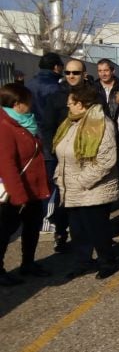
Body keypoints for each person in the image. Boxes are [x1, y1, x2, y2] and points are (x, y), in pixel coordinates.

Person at [53, 84, 119, 279]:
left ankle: (107, 260)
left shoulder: (101, 124)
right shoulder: (70, 123)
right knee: (78, 229)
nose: (69, 108)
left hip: (93, 188)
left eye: (71, 104)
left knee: (96, 228)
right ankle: (82, 261)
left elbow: (106, 159)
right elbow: (62, 153)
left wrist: (82, 181)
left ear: (82, 104)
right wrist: (60, 175)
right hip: (71, 186)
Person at [0, 84, 51, 286]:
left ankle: (28, 263)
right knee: (5, 231)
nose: (31, 104)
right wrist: (18, 195)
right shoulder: (5, 126)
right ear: (17, 104)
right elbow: (7, 165)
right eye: (28, 100)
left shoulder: (25, 123)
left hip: (33, 188)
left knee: (32, 227)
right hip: (15, 193)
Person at [41, 59, 90, 253]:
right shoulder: (56, 96)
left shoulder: (93, 95)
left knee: (88, 198)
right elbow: (47, 126)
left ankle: (87, 236)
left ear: (83, 73)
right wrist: (54, 149)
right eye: (68, 72)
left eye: (75, 73)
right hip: (63, 156)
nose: (71, 76)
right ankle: (61, 233)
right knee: (64, 197)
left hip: (87, 154)